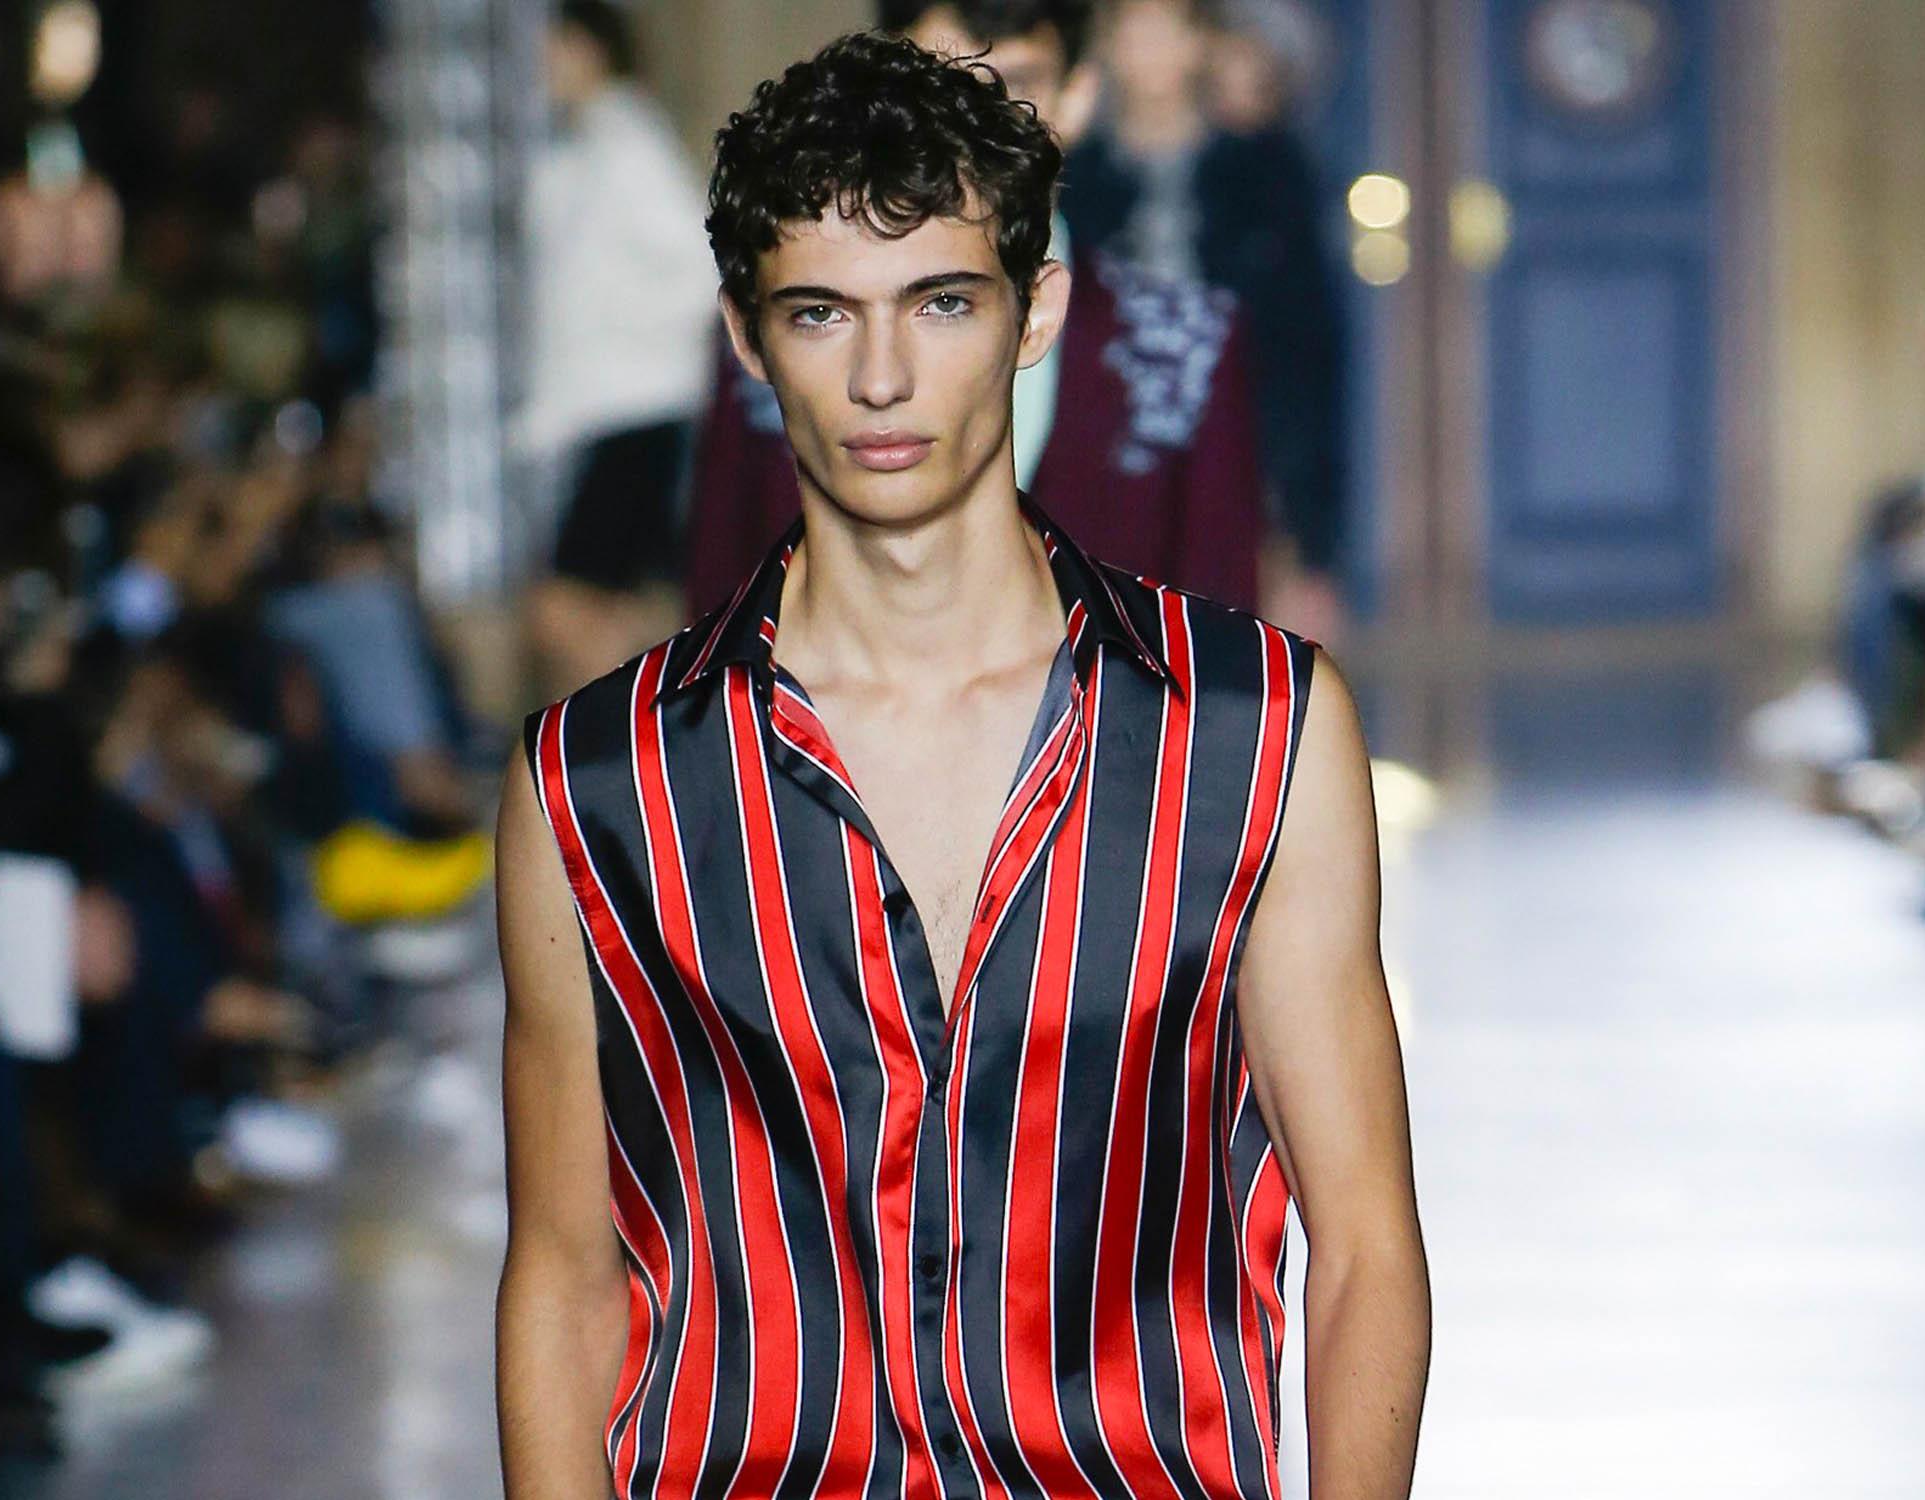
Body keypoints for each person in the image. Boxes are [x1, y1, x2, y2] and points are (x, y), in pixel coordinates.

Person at [497, 32, 1428, 1498]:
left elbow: (1364, 1244)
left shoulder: (1254, 735)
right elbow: (562, 1275)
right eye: (819, 313)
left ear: (1036, 310)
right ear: (745, 341)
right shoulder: (599, 783)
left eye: (939, 302)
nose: (881, 375)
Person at [681, 0, 1263, 616]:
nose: (964, 124)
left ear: (1078, 95)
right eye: (935, 83)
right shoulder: (773, 322)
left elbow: (1218, 643)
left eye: (1011, 88)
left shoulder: (1185, 342)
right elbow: (720, 601)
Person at [1064, 0, 1349, 646]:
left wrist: (1311, 542)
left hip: (1245, 450)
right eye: (1130, 31)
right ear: (1104, 46)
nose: (1152, 51)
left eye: (1170, 29)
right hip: (1105, 454)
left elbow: (1308, 355)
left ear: (1202, 42)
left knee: (1241, 660)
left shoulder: (1266, 174)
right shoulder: (1072, 180)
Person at [519, 0, 719, 696]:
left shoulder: (628, 142)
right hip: (605, 410)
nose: (543, 65)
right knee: (611, 607)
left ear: (588, 47)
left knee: (567, 606)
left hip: (633, 407)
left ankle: (636, 753)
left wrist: (632, 339)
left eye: (554, 46)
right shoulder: (586, 146)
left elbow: (702, 267)